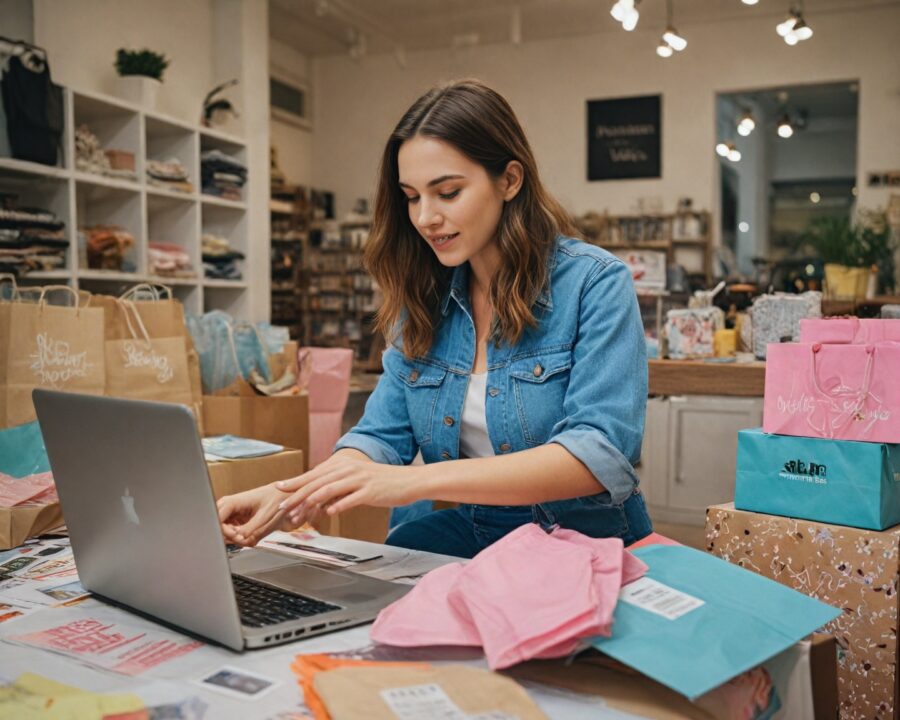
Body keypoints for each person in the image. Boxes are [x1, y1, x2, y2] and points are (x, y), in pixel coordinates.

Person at [218, 79, 652, 558]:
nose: (425, 217)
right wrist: (287, 496)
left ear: (509, 180)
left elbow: (598, 454)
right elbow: (378, 437)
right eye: (411, 196)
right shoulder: (422, 300)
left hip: (579, 544)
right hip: (466, 536)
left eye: (447, 192)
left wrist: (411, 481)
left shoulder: (594, 283)